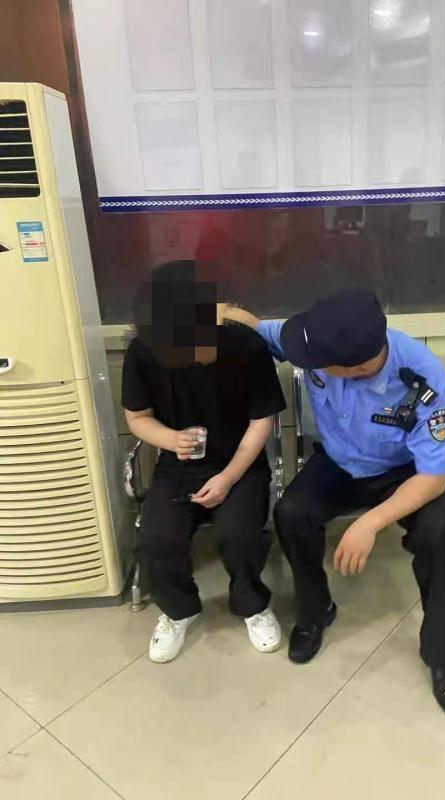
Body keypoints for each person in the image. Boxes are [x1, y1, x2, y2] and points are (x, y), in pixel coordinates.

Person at [224, 290, 445, 716]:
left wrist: (369, 523)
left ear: (356, 366)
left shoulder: (423, 376)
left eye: (314, 362)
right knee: (291, 513)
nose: (304, 361)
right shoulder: (316, 338)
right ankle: (315, 612)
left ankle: (440, 651)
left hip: (402, 473)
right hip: (338, 463)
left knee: (442, 534)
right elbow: (251, 326)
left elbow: (433, 479)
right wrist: (196, 308)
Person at [122, 261, 286, 663]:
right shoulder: (143, 352)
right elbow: (138, 417)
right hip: (179, 465)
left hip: (240, 463)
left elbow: (262, 420)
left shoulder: (245, 347)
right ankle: (178, 611)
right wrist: (170, 439)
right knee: (157, 538)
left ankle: (253, 606)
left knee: (239, 535)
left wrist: (228, 477)